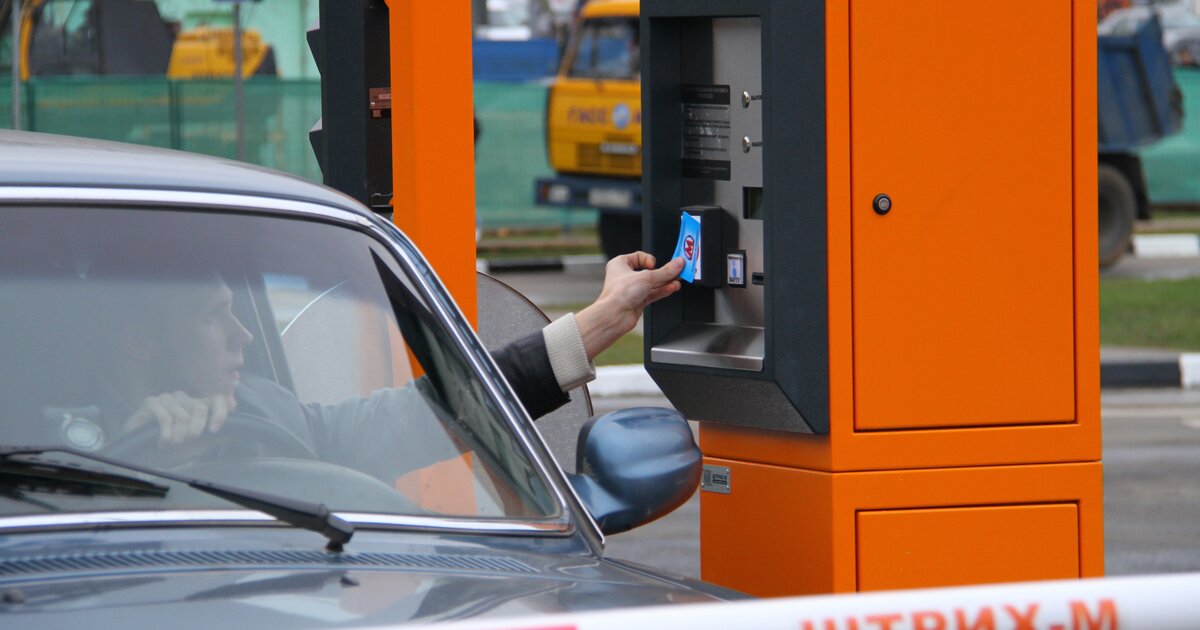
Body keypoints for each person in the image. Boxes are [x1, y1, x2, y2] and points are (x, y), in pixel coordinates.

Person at [92, 252, 684, 464]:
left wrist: (604, 319)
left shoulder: (263, 407)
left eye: (236, 310)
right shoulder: (59, 451)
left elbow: (435, 411)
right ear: (141, 342)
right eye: (209, 317)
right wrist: (144, 466)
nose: (243, 336)